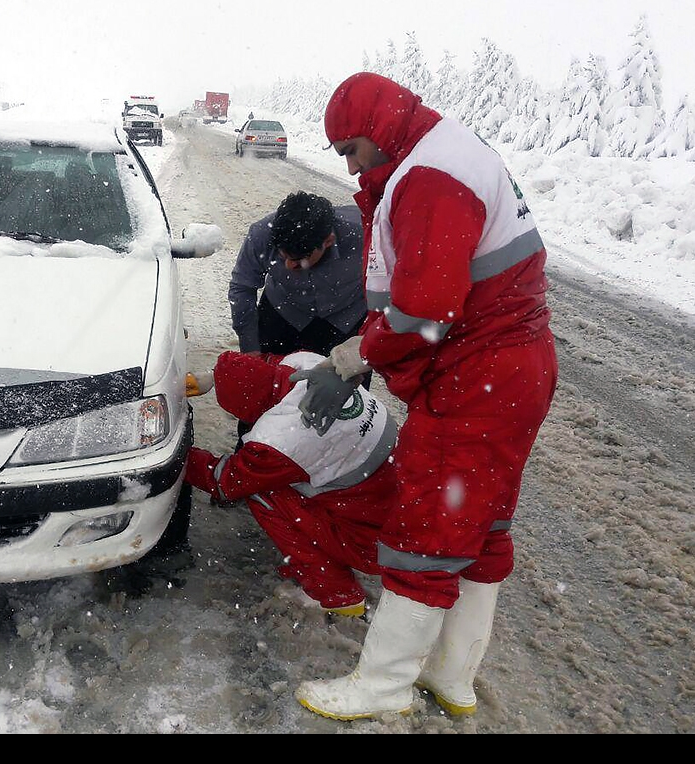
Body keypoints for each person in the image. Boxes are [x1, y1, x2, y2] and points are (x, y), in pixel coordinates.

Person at [290, 72, 558, 721]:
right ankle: (452, 677)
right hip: (514, 370)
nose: (350, 165)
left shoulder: (430, 175)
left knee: (426, 532)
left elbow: (425, 308)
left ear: (378, 130)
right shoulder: (447, 152)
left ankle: (382, 688)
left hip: (478, 376)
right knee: (480, 526)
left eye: (350, 150)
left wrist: (353, 357)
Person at [184, 350, 398, 617]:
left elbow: (225, 481)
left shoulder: (280, 439)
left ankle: (337, 594)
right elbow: (266, 364)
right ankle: (322, 563)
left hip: (375, 542)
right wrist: (214, 377)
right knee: (290, 480)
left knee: (262, 493)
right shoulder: (308, 363)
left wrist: (179, 455)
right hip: (412, 509)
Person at [228, 191, 369, 443]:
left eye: (299, 259)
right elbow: (242, 287)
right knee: (262, 388)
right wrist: (250, 348)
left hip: (345, 320)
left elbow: (392, 286)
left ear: (327, 241)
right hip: (283, 313)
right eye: (283, 258)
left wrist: (368, 342)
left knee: (344, 396)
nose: (289, 267)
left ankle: (332, 457)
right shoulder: (261, 234)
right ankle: (253, 447)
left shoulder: (367, 231)